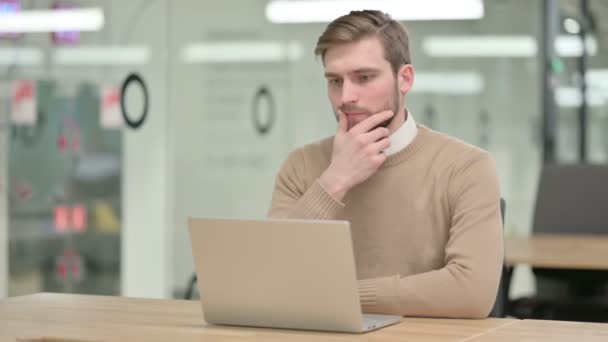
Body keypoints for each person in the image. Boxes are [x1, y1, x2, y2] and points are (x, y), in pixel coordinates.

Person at [267, 10, 503, 319]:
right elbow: (270, 277)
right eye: (335, 81)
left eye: (364, 77)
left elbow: (471, 292)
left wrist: (342, 296)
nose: (346, 97)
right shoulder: (301, 165)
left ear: (404, 79)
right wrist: (335, 180)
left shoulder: (467, 167)